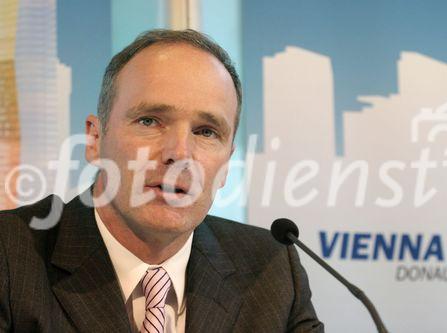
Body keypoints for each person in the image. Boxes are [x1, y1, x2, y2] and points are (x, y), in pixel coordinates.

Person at [0, 29, 323, 332]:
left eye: (206, 131)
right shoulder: (11, 255)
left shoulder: (271, 269)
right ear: (95, 140)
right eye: (150, 121)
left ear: (225, 165)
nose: (179, 152)